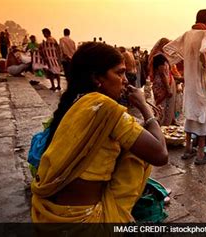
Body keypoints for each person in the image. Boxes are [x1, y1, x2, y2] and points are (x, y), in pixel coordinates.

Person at [31, 42, 168, 223]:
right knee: (140, 152)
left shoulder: (75, 103)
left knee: (135, 138)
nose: (126, 80)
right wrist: (145, 107)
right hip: (87, 221)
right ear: (97, 78)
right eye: (119, 73)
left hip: (51, 215)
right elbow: (160, 155)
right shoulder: (104, 106)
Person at [163, 9, 206, 165]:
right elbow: (203, 52)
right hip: (201, 82)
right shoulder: (204, 34)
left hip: (190, 83)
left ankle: (188, 149)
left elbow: (169, 48)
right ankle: (200, 155)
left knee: (190, 115)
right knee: (202, 117)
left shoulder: (187, 34)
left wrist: (186, 60)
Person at [151, 54, 177, 126]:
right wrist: (168, 88)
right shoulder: (162, 60)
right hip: (163, 87)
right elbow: (163, 75)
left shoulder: (160, 60)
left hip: (164, 86)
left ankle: (164, 126)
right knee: (162, 108)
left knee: (165, 108)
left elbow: (165, 75)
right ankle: (163, 126)